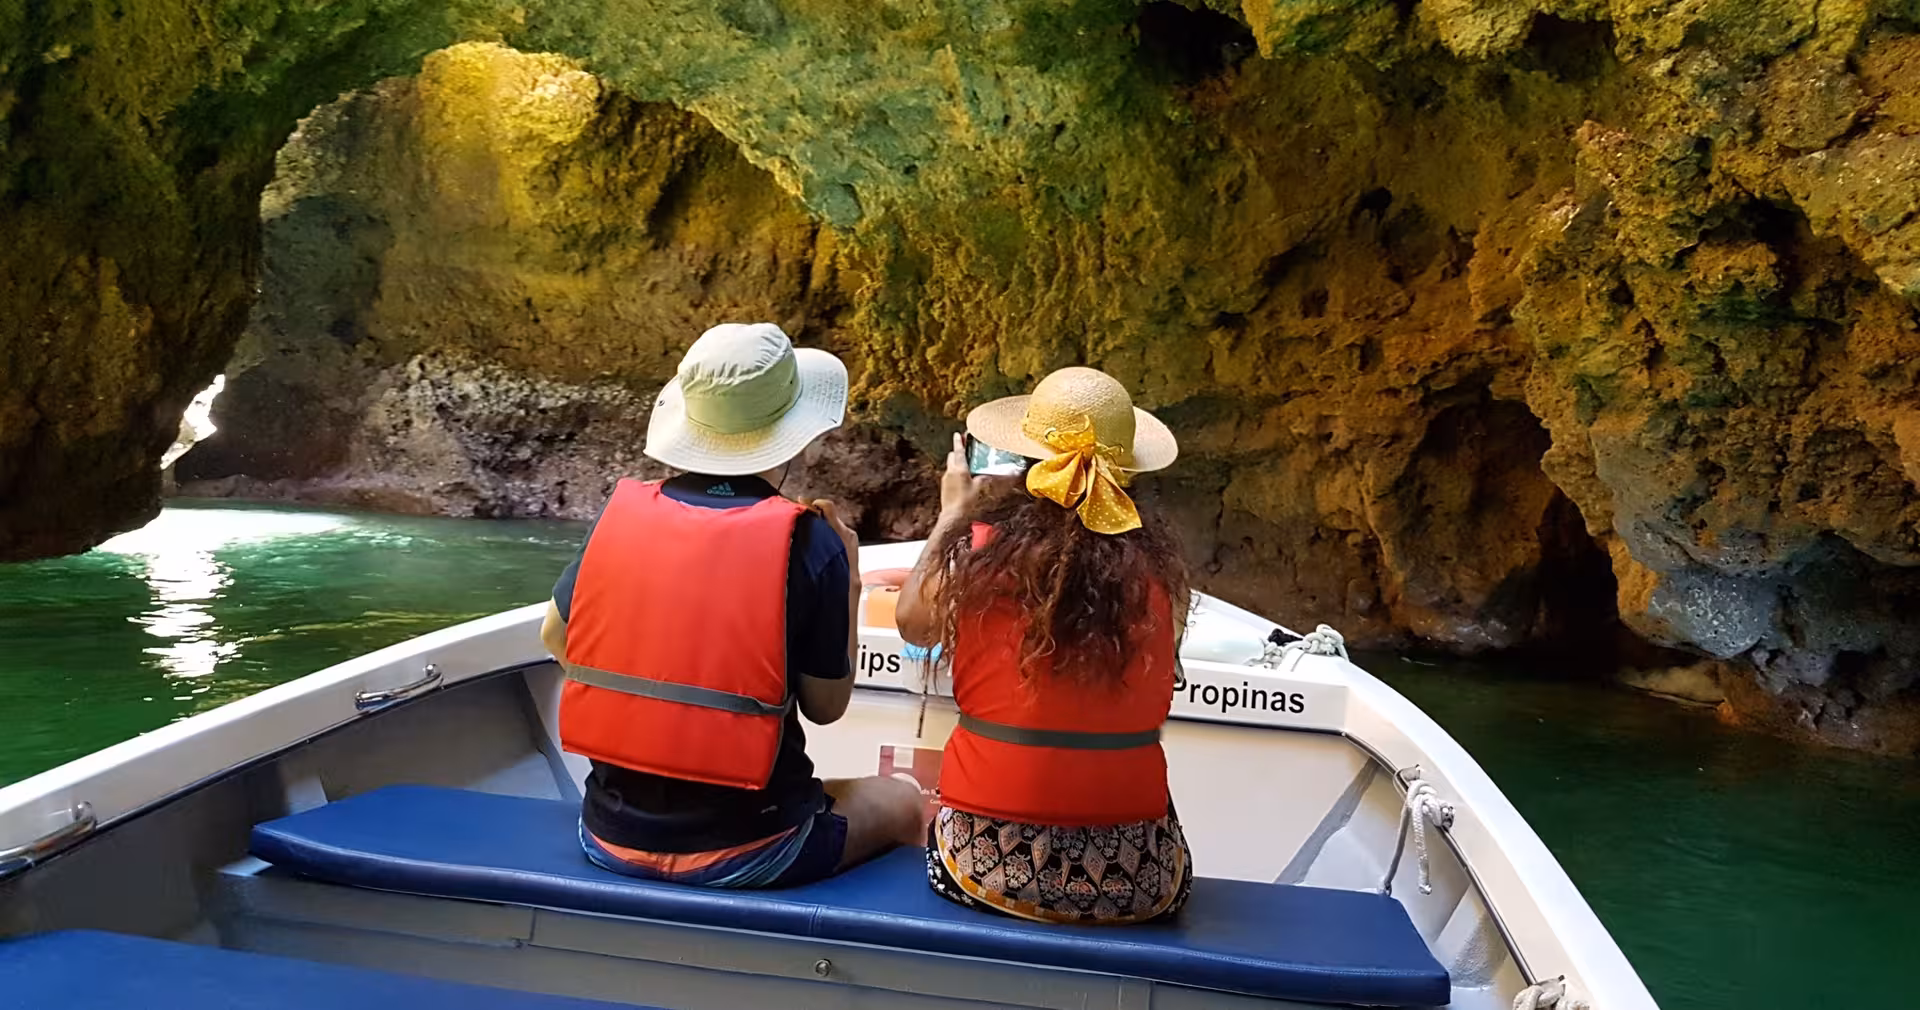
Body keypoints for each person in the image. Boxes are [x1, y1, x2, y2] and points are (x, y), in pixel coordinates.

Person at [539, 322, 924, 889]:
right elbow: (826, 707)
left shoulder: (620, 520)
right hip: (754, 849)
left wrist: (656, 698)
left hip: (607, 837)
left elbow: (555, 636)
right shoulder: (812, 543)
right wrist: (849, 582)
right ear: (792, 434)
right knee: (902, 799)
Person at [895, 366, 1194, 925]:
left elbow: (913, 623)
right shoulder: (1158, 571)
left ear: (1026, 462)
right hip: (1136, 882)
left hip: (983, 869)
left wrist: (952, 515)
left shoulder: (981, 550)